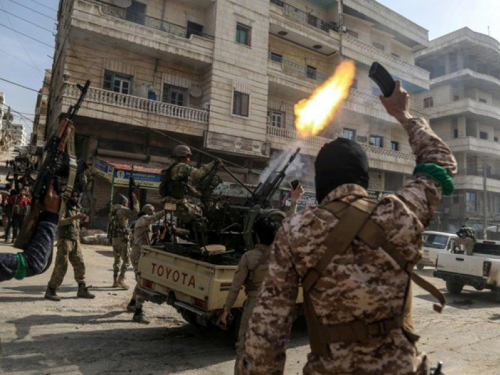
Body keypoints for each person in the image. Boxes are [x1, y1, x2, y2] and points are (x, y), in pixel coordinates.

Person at [240, 81, 457, 375]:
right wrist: (404, 116)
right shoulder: (400, 212)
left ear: (321, 182)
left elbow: (268, 331)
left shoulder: (295, 232)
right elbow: (440, 164)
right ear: (364, 179)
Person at [221, 185, 304, 374]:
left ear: (256, 234)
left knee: (243, 349)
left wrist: (226, 309)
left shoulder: (249, 257)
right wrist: (294, 201)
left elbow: (235, 287)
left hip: (254, 306)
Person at [0, 183, 59, 282]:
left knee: (16, 229)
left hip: (20, 216)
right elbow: (32, 263)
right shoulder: (15, 198)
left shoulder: (25, 199)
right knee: (14, 228)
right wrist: (50, 215)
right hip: (15, 216)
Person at [45, 190, 95, 301]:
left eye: (77, 196)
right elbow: (59, 222)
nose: (75, 198)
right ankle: (51, 289)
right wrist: (73, 218)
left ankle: (82, 289)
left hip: (75, 240)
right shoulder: (64, 207)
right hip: (65, 241)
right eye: (73, 196)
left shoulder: (77, 207)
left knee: (79, 264)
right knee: (61, 266)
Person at [160, 144, 223, 223]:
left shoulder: (171, 168)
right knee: (200, 211)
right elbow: (199, 174)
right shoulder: (182, 166)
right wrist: (213, 163)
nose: (189, 160)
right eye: (188, 157)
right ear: (183, 157)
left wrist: (200, 195)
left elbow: (186, 187)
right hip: (177, 204)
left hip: (168, 202)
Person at [127, 203, 166, 324]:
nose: (152, 212)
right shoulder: (143, 219)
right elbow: (152, 218)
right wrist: (165, 211)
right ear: (145, 211)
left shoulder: (145, 223)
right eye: (150, 210)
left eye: (154, 210)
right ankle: (138, 312)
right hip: (138, 254)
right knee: (142, 281)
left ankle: (133, 303)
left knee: (140, 279)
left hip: (142, 254)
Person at [108, 193, 139, 290]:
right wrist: (135, 201)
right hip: (122, 238)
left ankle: (114, 281)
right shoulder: (122, 210)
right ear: (124, 203)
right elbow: (135, 211)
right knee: (126, 260)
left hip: (114, 238)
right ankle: (121, 280)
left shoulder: (113, 210)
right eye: (127, 203)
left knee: (117, 260)